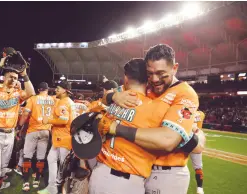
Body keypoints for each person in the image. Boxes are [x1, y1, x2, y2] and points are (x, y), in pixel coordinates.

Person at [101, 44, 205, 194]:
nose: (155, 79)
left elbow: (168, 140)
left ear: (175, 68)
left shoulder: (185, 93)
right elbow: (104, 98)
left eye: (161, 73)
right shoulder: (146, 85)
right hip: (138, 169)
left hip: (166, 174)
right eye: (150, 73)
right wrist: (113, 96)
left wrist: (115, 128)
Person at [89, 58, 159, 194]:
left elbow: (92, 113)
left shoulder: (115, 102)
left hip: (99, 173)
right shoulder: (155, 107)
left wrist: (112, 97)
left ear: (126, 78)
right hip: (127, 182)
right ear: (148, 79)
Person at [0, 56, 35, 194]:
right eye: (10, 76)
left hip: (9, 134)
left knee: (2, 168)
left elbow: (31, 93)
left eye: (16, 78)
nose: (13, 79)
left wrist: (24, 74)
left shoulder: (17, 93)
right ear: (4, 77)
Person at [38, 81, 77, 194]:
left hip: (63, 138)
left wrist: (48, 120)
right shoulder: (67, 101)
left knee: (63, 168)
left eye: (58, 88)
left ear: (65, 90)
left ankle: (61, 190)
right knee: (52, 159)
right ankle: (52, 188)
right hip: (61, 138)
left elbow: (64, 120)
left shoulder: (64, 102)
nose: (56, 90)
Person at [19, 82, 56, 191]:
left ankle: (26, 182)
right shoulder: (53, 100)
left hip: (33, 130)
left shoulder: (33, 99)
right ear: (47, 89)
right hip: (46, 130)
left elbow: (25, 114)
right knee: (41, 157)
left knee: (27, 156)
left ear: (39, 89)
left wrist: (19, 126)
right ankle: (37, 180)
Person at [190, 110, 206, 194]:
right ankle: (200, 188)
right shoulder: (201, 114)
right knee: (198, 167)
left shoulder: (183, 110)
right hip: (197, 139)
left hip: (184, 138)